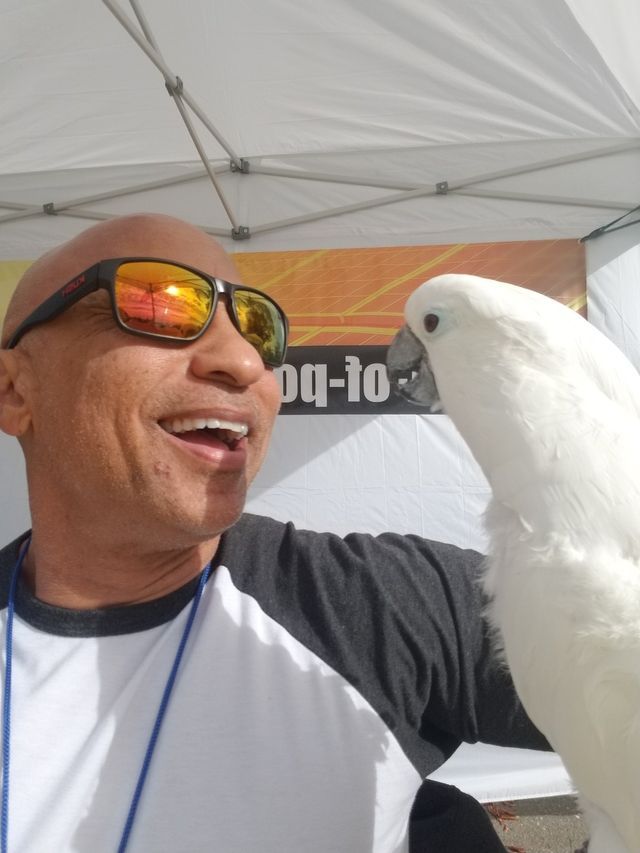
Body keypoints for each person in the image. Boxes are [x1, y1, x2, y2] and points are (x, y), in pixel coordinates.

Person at [0, 214, 548, 853]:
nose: (242, 360)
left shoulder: (387, 605)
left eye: (258, 329)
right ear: (15, 391)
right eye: (161, 305)